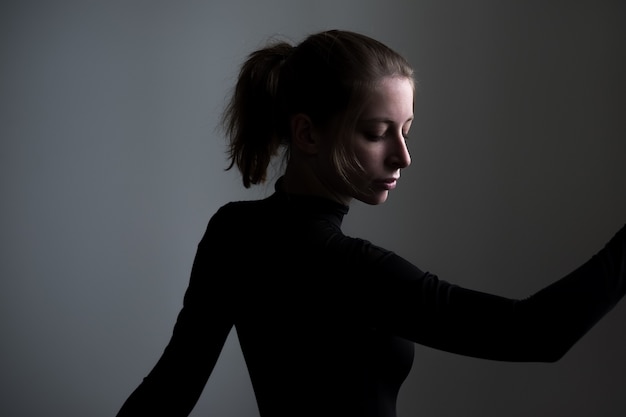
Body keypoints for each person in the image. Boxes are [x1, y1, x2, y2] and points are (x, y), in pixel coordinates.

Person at [115, 29, 626, 417]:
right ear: (307, 134)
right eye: (378, 132)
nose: (403, 156)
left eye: (405, 131)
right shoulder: (347, 269)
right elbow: (535, 333)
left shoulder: (234, 231)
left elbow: (169, 390)